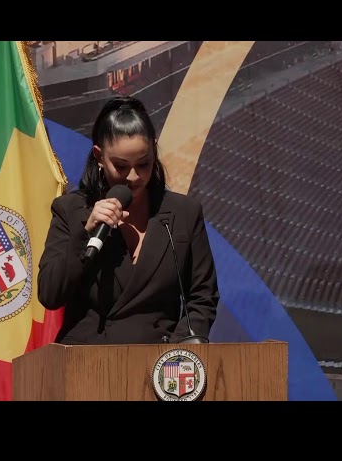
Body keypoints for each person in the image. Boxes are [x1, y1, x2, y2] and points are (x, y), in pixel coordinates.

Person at [38, 95, 219, 344]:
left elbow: (202, 296)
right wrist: (85, 232)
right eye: (121, 166)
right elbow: (50, 293)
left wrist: (179, 352)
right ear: (99, 157)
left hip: (162, 365)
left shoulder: (183, 213)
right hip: (86, 364)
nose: (133, 177)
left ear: (154, 151)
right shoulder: (71, 209)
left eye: (143, 164)